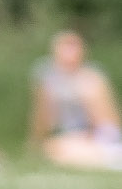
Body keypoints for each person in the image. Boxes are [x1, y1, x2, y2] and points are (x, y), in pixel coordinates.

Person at [28, 30, 122, 168]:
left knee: (58, 149)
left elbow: (104, 122)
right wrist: (35, 141)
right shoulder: (48, 77)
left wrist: (86, 137)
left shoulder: (90, 78)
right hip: (72, 135)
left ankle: (109, 156)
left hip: (97, 135)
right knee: (52, 148)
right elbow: (42, 115)